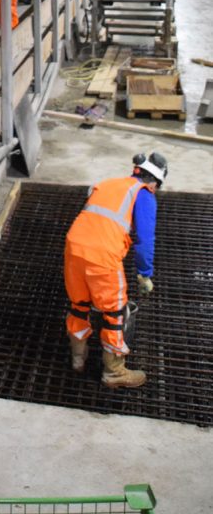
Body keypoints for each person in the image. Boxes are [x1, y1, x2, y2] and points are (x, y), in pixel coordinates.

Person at [64, 151, 168, 389]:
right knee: (114, 313)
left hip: (73, 246)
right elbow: (144, 239)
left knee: (79, 304)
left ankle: (78, 358)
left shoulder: (108, 184)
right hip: (102, 255)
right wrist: (144, 273)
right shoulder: (144, 194)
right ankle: (114, 372)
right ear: (154, 182)